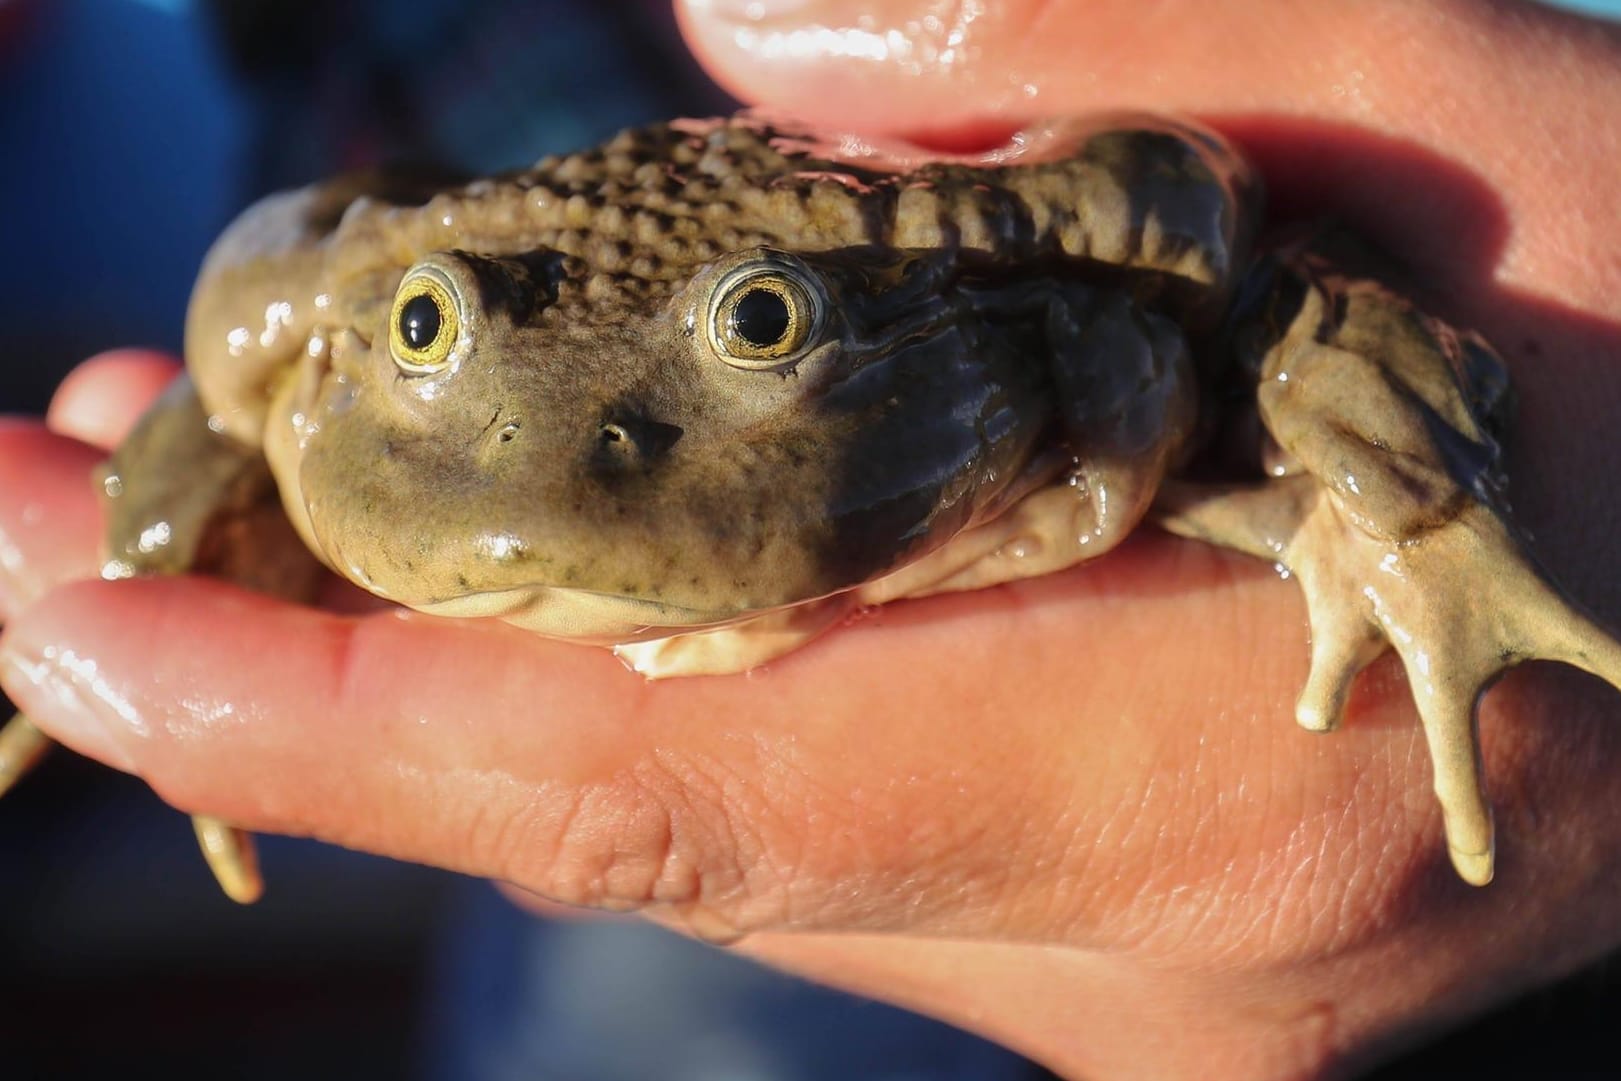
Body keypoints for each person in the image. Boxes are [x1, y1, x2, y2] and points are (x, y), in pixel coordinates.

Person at [2, 1, 1619, 1077]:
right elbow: (249, 338)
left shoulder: (1073, 314)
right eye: (418, 332)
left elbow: (1271, 279)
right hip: (452, 106)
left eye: (765, 331)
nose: (550, 493)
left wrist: (1437, 521)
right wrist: (211, 524)